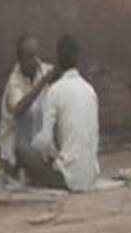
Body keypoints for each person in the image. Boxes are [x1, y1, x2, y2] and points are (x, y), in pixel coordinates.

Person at [18, 35, 100, 193]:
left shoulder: (55, 90)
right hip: (90, 176)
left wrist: (38, 150)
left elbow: (45, 141)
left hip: (67, 178)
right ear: (77, 58)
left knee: (21, 148)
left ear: (58, 61)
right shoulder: (90, 90)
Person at [0, 35, 53, 179]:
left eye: (36, 54)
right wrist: (42, 83)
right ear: (21, 59)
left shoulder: (44, 70)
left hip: (39, 142)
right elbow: (19, 109)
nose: (35, 60)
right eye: (30, 56)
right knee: (32, 110)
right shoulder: (14, 82)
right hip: (16, 145)